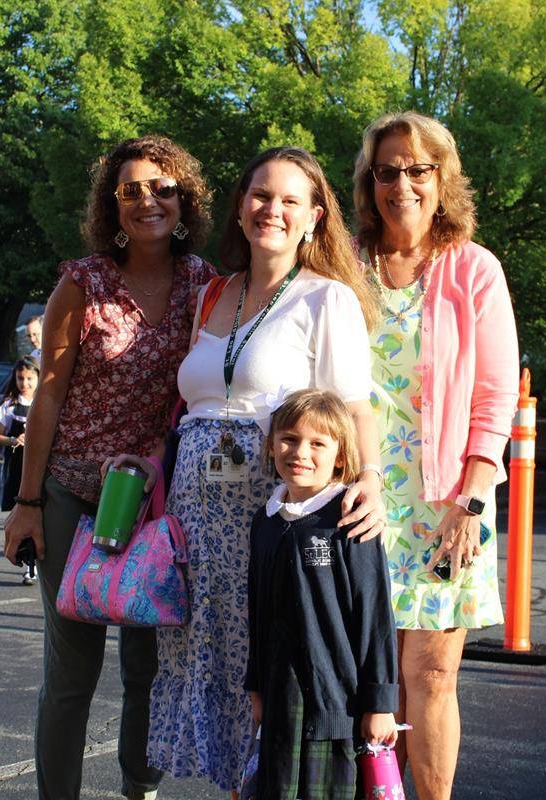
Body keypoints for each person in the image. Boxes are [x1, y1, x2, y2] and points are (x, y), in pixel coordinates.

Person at [142, 147, 386, 796]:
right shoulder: (213, 294)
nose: (270, 209)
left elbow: (352, 407)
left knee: (260, 664)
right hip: (196, 520)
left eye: (288, 199)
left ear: (314, 217)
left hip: (267, 519)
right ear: (240, 207)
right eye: (259, 195)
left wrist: (372, 480)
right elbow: (192, 400)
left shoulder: (325, 300)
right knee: (207, 665)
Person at [2, 135, 215, 800]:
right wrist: (28, 502)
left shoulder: (203, 284)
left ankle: (138, 790)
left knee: (147, 666)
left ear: (185, 201)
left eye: (163, 188)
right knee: (72, 672)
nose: (147, 201)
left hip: (156, 502)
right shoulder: (82, 282)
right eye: (131, 190)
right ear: (112, 203)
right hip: (72, 492)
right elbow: (50, 398)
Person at [352, 111, 519, 800]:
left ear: (443, 179)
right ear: (370, 181)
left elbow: (495, 394)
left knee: (431, 678)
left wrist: (472, 503)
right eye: (388, 170)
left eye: (418, 169)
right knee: (364, 679)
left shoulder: (472, 269)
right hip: (356, 496)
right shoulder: (345, 264)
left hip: (446, 503)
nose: (403, 184)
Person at [246, 389, 399, 800]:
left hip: (337, 705)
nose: (300, 452)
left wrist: (380, 703)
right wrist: (256, 687)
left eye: (318, 443)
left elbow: (375, 616)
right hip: (279, 700)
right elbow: (256, 611)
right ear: (271, 443)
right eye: (290, 438)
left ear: (341, 457)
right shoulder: (265, 522)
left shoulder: (350, 523)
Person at [0, 355, 40, 584]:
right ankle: (29, 564)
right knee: (21, 515)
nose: (25, 383)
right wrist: (13, 440)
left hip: (40, 465)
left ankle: (38, 564)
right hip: (18, 467)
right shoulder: (10, 405)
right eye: (21, 378)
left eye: (30, 378)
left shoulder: (45, 402)